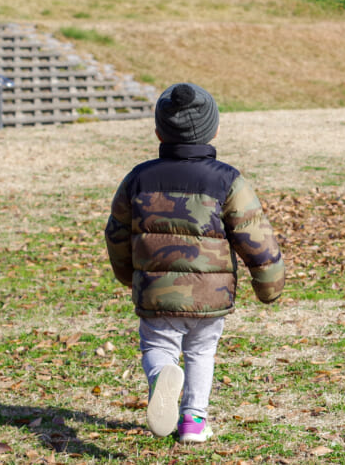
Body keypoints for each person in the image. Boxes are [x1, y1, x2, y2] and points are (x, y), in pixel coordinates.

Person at [104, 82, 285, 443]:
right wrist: (269, 286)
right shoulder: (227, 180)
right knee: (202, 351)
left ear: (158, 131)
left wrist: (128, 276)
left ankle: (161, 379)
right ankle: (193, 422)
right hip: (211, 293)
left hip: (156, 292)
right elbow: (256, 238)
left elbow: (117, 233)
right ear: (214, 129)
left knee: (158, 347)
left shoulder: (138, 178)